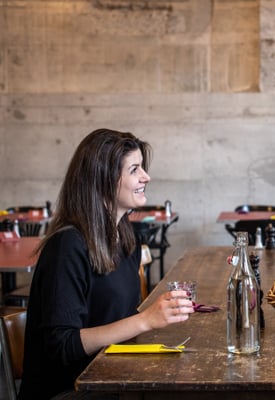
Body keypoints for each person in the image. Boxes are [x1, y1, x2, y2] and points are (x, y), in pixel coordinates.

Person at [19, 129, 195, 400]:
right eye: (135, 169)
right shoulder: (67, 246)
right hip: (69, 390)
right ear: (103, 180)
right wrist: (146, 320)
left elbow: (120, 322)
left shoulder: (125, 239)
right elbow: (61, 347)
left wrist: (156, 319)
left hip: (110, 377)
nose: (145, 177)